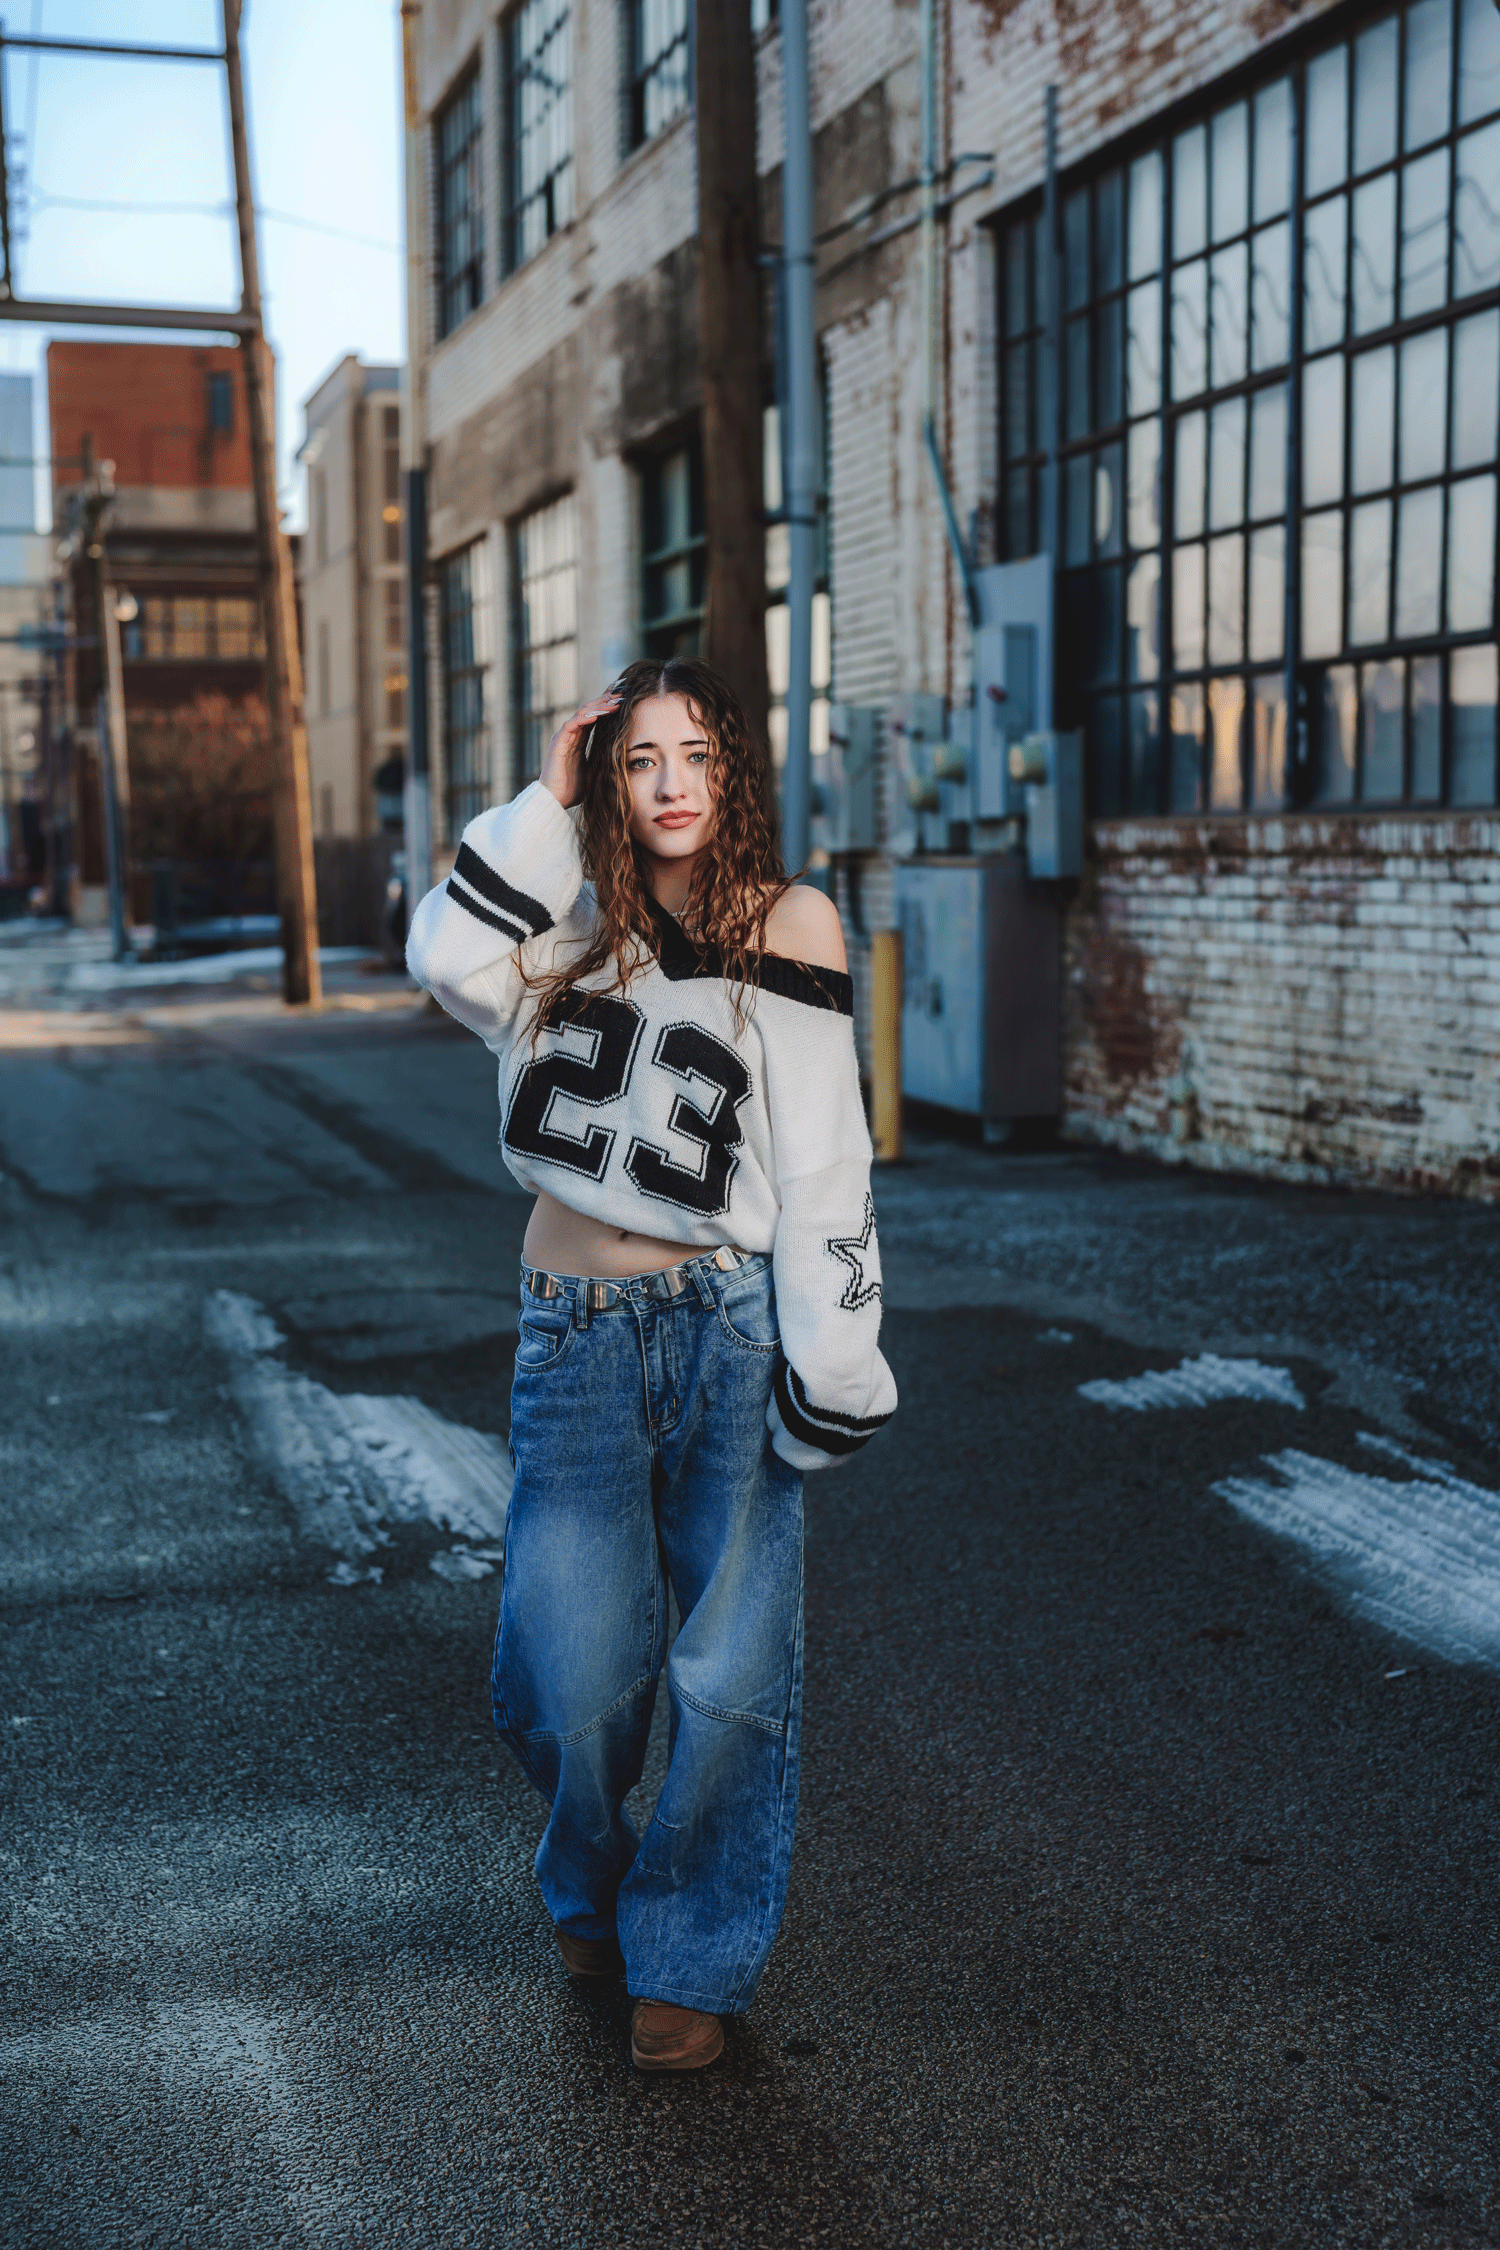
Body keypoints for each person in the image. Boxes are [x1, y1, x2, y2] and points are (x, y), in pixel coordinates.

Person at [406, 656, 896, 2071]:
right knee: (563, 1671)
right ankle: (591, 1876)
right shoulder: (555, 917)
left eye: (696, 754)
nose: (672, 782)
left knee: (734, 1671)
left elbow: (824, 1162)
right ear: (609, 778)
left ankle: (687, 1956)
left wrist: (834, 1356)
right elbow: (442, 959)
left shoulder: (791, 921)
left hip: (730, 1325)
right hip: (574, 1325)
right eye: (639, 760)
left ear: (732, 770)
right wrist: (545, 796)